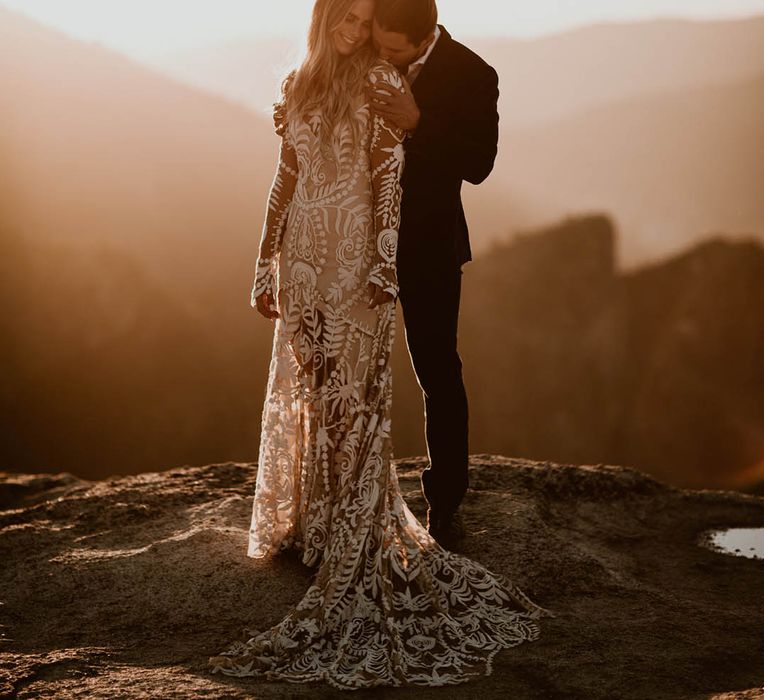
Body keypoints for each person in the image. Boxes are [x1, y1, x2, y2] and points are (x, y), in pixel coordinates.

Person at [207, 0, 553, 690]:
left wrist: (384, 250)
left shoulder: (455, 74)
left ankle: (442, 502)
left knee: (426, 372)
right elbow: (287, 173)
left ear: (415, 38)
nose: (367, 41)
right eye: (353, 22)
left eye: (377, 32)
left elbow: (456, 168)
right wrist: (263, 259)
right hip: (309, 257)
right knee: (312, 389)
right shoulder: (302, 82)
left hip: (403, 253)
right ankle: (316, 517)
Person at [367, 0, 500, 549]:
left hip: (430, 247)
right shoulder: (364, 56)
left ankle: (445, 503)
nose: (382, 55)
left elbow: (480, 163)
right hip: (357, 241)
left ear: (424, 38)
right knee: (349, 369)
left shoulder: (474, 73)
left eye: (393, 49)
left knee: (438, 371)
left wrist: (418, 123)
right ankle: (350, 496)